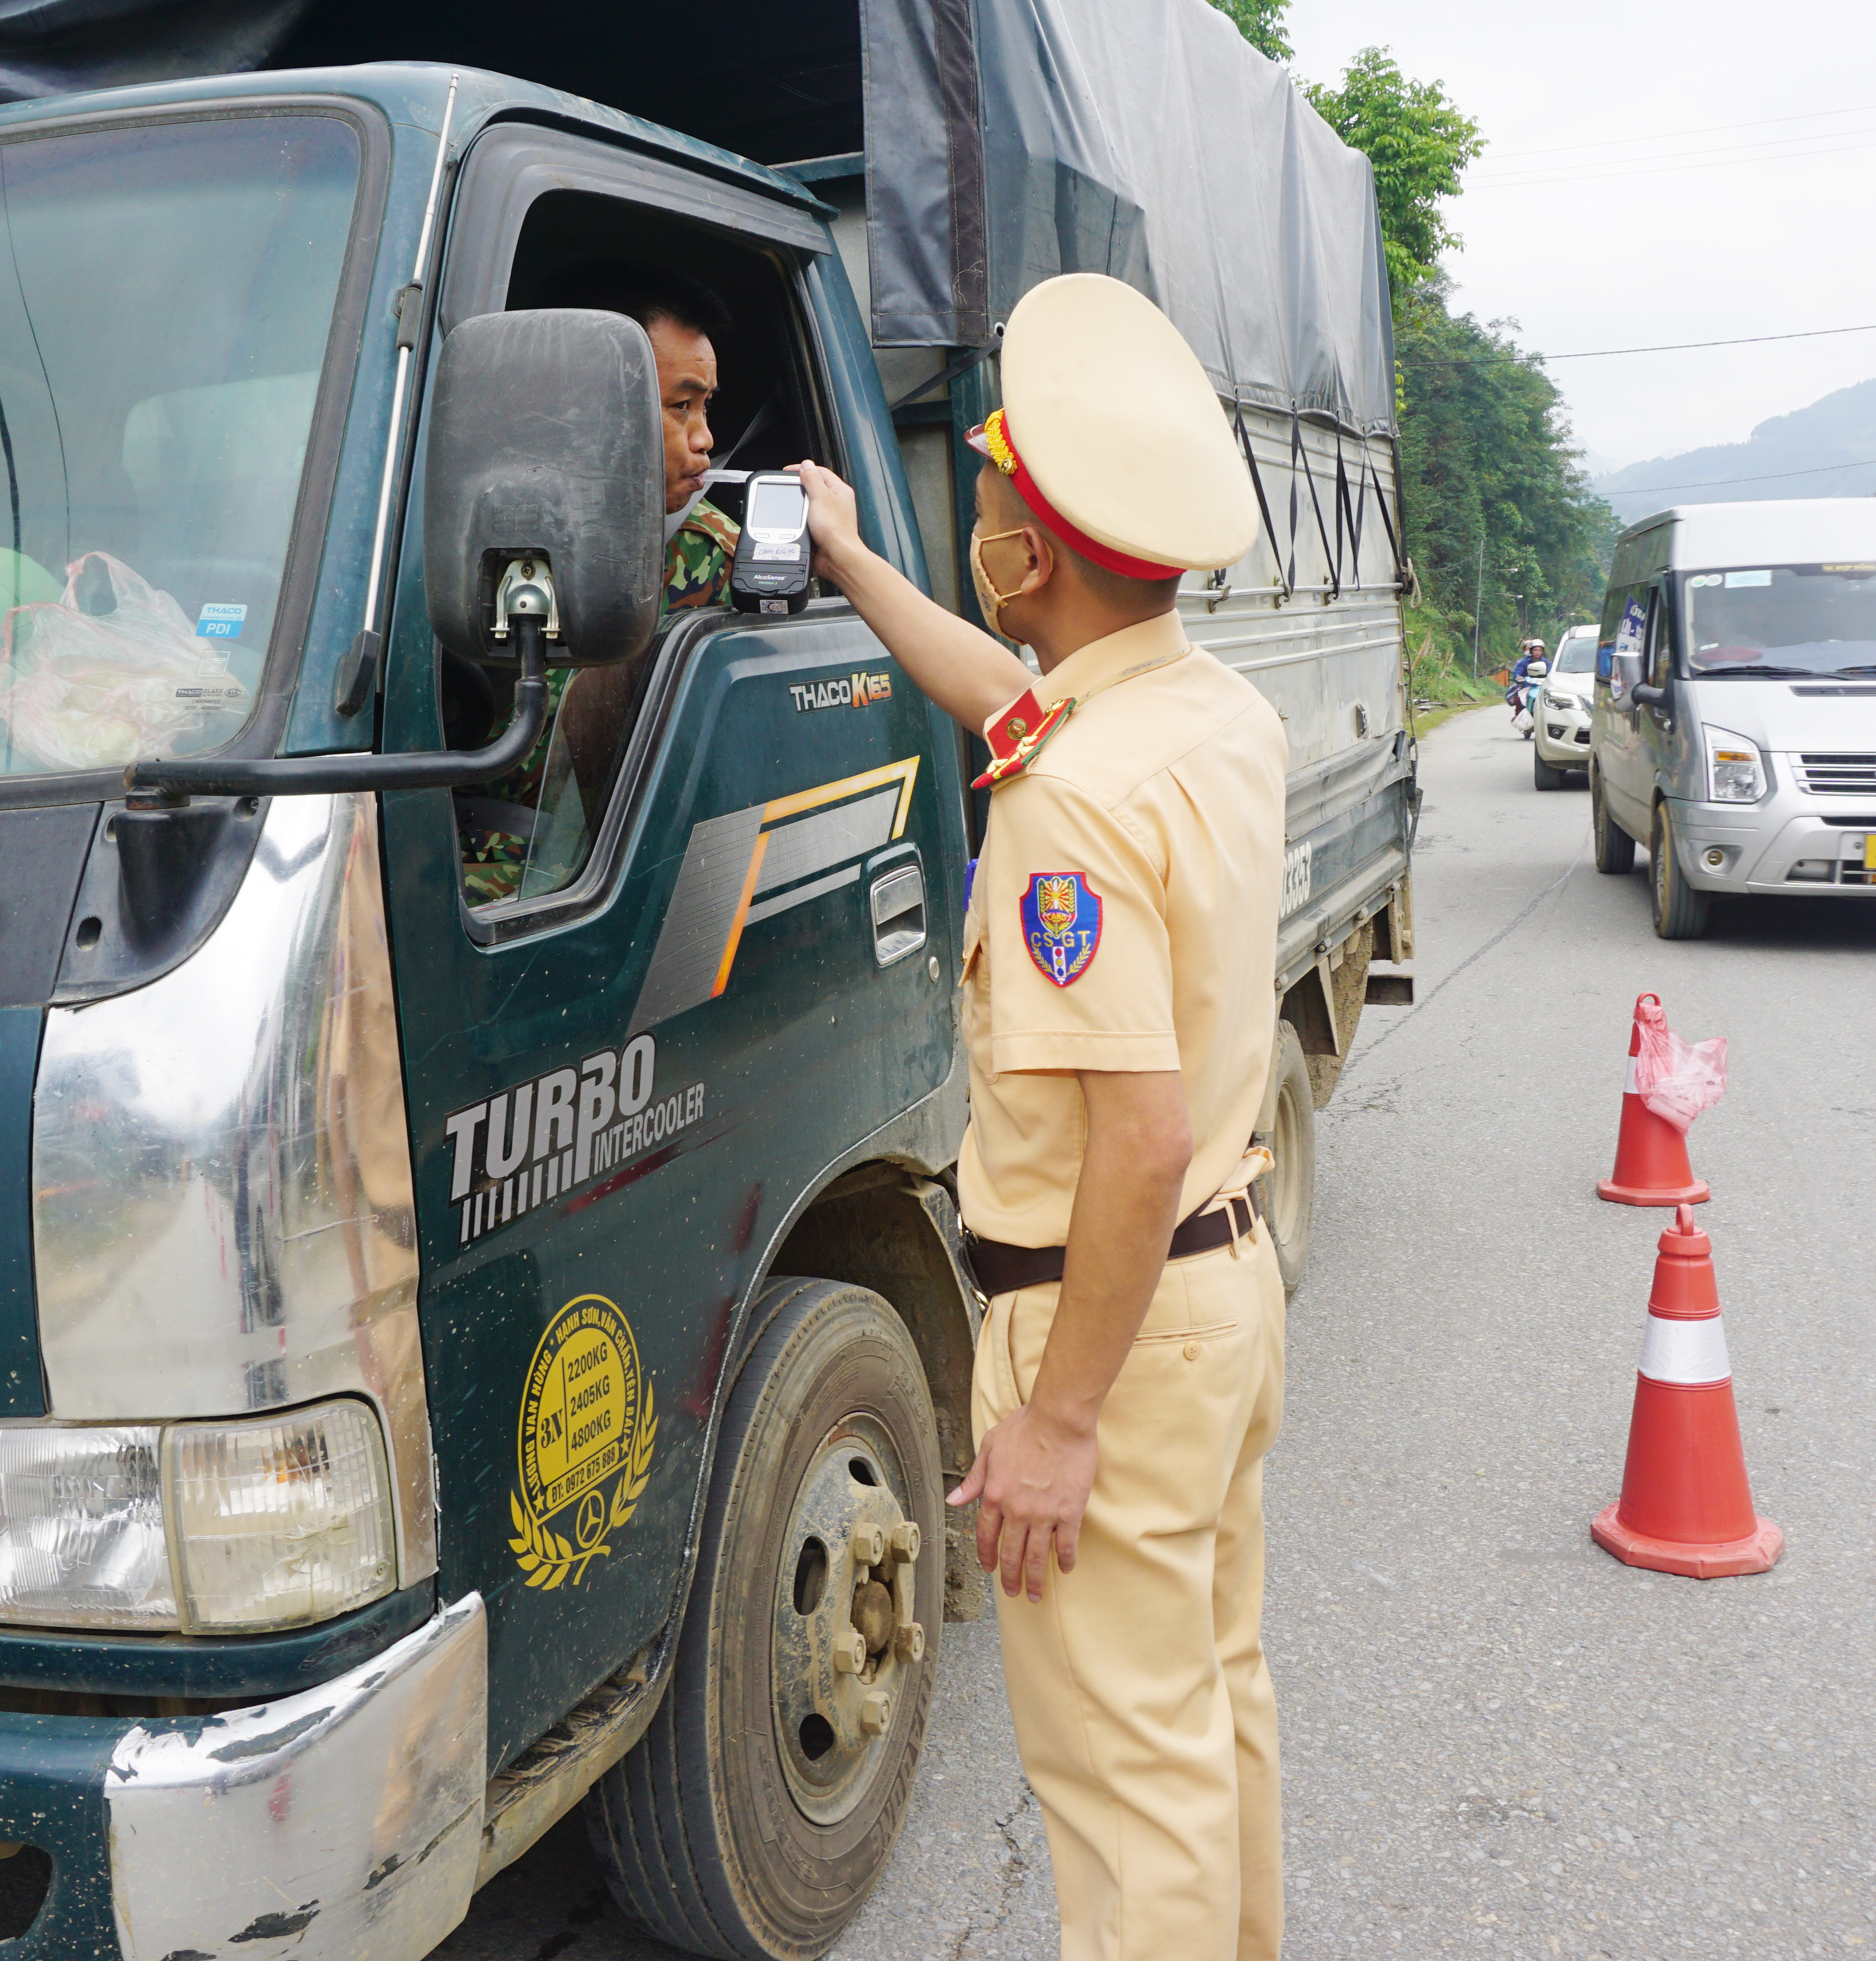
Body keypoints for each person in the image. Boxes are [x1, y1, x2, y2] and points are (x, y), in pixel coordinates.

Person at [799, 270, 1285, 1961]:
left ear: (1031, 553)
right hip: (1219, 1299)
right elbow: (1006, 702)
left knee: (1118, 1777)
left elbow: (1132, 1139)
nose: (978, 511)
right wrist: (855, 563)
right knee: (1202, 1710)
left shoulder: (1075, 797)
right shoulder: (1197, 712)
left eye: (990, 492)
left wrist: (1055, 1417)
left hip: (1109, 1321)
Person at [457, 263, 746, 903]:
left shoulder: (718, 555)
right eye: (681, 406)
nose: (706, 439)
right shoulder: (476, 521)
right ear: (596, 404)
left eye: (705, 405)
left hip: (586, 881)